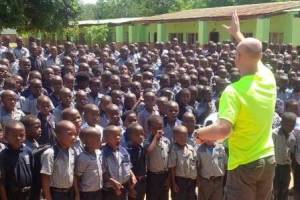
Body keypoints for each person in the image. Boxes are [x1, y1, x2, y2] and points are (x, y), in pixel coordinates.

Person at [195, 11, 277, 200]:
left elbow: (223, 131)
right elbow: (253, 52)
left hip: (244, 165)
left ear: (238, 57)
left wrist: (199, 134)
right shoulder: (268, 78)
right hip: (268, 159)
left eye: (236, 54)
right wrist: (237, 34)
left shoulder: (233, 91)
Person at [40, 120, 78, 200]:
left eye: (75, 134)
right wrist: (48, 198)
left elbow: (73, 174)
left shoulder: (72, 151)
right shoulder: (50, 153)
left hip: (70, 192)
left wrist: (77, 193)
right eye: (70, 134)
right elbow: (45, 178)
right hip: (57, 194)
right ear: (57, 135)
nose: (74, 137)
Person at [0, 120, 33, 200]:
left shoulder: (28, 151)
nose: (18, 138)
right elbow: (1, 182)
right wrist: (4, 197)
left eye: (21, 135)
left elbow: (32, 170)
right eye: (14, 135)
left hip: (28, 193)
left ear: (25, 135)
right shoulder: (3, 156)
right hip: (12, 195)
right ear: (6, 137)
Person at [102, 125, 137, 200]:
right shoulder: (103, 154)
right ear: (105, 139)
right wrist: (112, 182)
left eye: (119, 135)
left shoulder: (123, 151)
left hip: (123, 186)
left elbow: (128, 165)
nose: (118, 138)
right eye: (114, 136)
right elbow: (102, 173)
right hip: (111, 189)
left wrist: (132, 175)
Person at [144, 115, 170, 200]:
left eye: (160, 127)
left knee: (164, 196)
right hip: (153, 177)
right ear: (149, 128)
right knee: (153, 196)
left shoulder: (166, 141)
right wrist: (155, 138)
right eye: (156, 128)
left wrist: (168, 177)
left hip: (164, 175)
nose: (159, 130)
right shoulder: (148, 141)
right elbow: (148, 151)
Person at [168, 125, 197, 200]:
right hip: (180, 181)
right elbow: (172, 168)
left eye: (185, 136)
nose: (182, 138)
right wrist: (174, 184)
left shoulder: (191, 149)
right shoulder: (174, 150)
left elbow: (196, 165)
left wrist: (197, 180)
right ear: (174, 137)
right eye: (180, 137)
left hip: (191, 180)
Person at [273, 112, 297, 200]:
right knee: (275, 187)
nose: (291, 127)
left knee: (285, 187)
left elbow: (292, 152)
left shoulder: (293, 136)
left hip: (286, 166)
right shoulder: (274, 134)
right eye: (289, 125)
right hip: (275, 166)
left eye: (293, 125)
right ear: (282, 123)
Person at [75, 127, 103, 200]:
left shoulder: (99, 153)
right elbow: (77, 177)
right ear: (87, 142)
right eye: (98, 139)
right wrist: (77, 194)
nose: (101, 141)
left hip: (99, 190)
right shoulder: (83, 158)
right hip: (87, 193)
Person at [125, 123, 146, 200]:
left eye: (142, 134)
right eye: (137, 134)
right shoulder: (128, 151)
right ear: (130, 136)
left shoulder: (141, 148)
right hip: (133, 183)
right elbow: (127, 170)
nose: (141, 136)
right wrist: (131, 188)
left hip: (142, 182)